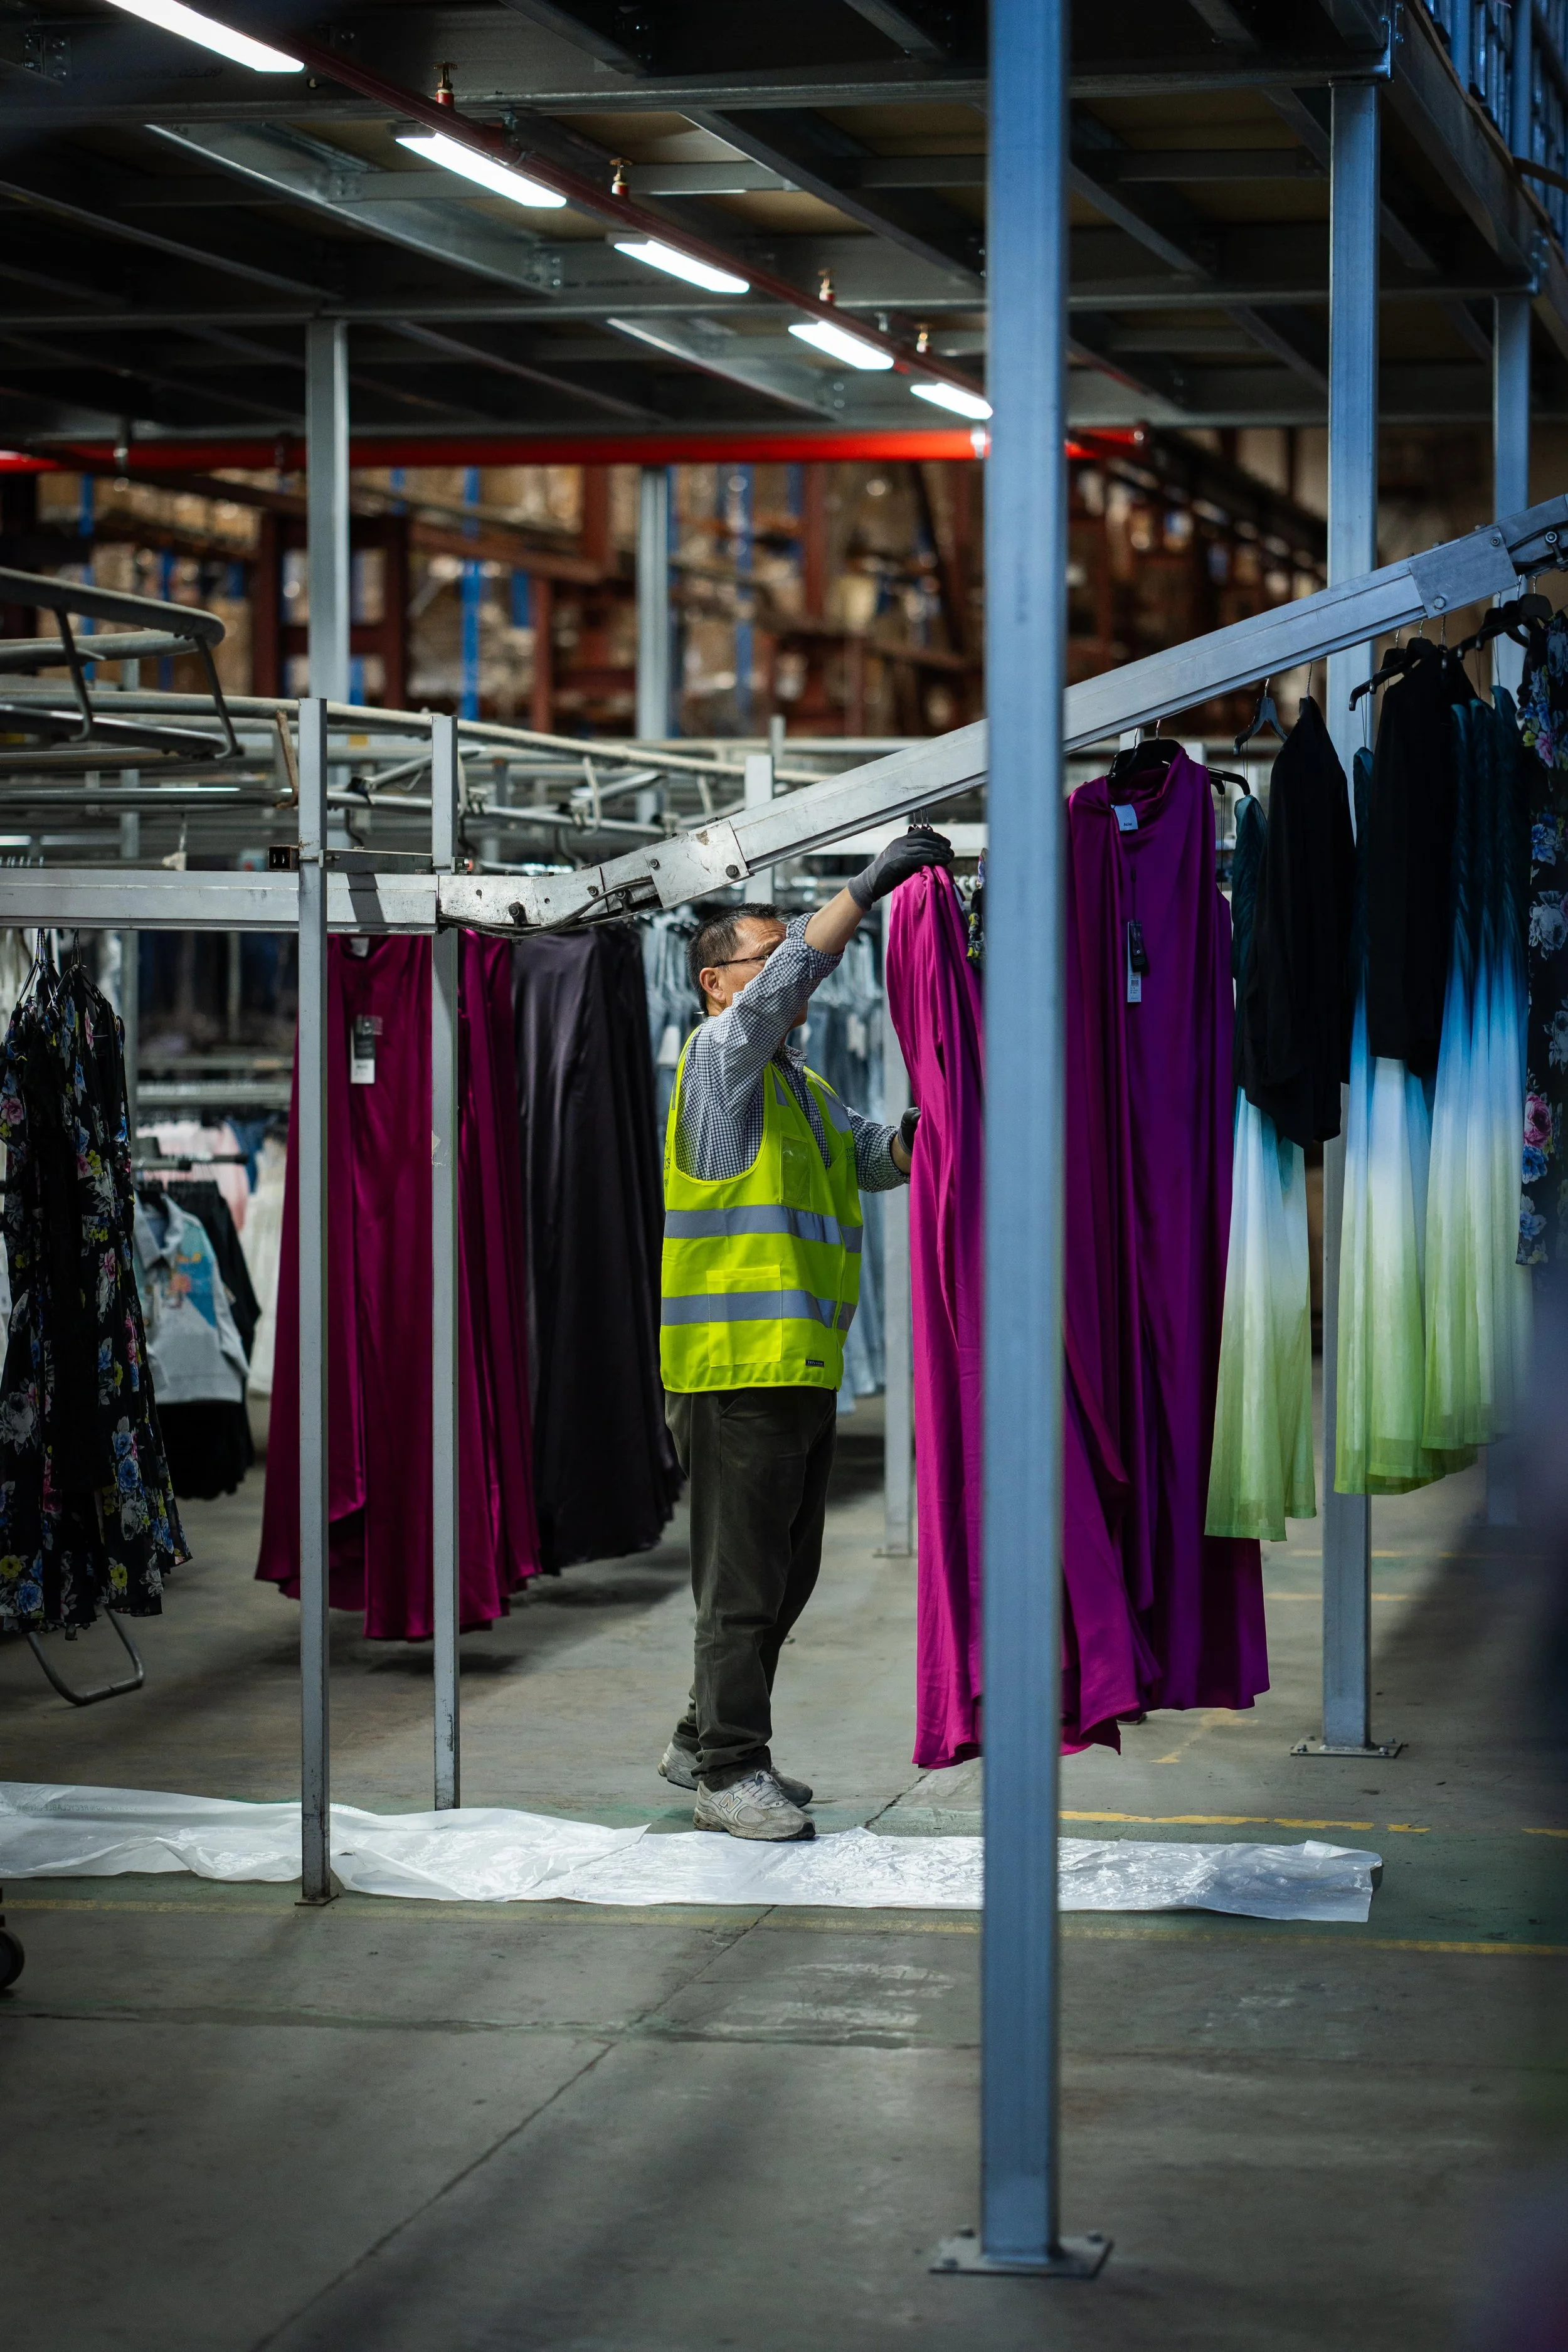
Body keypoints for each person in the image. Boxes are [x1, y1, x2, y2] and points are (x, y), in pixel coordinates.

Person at [659, 824, 954, 1841]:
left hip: (797, 1369)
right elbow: (789, 981)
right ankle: (727, 1769)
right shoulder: (718, 1063)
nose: (798, 975)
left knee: (784, 1577)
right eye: (768, 954)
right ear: (713, 983)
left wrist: (933, 1124)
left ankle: (708, 1736)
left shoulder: (802, 1084)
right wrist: (864, 890)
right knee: (740, 1589)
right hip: (734, 1373)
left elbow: (875, 1156)